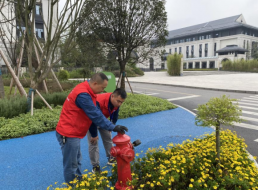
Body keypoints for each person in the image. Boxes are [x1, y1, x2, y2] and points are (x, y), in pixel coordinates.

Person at [55, 73, 128, 184]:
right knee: (71, 164)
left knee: (77, 160)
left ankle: (79, 182)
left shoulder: (88, 90)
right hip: (68, 133)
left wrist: (112, 125)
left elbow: (97, 114)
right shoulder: (83, 95)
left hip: (74, 132)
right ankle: (72, 185)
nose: (103, 90)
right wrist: (112, 127)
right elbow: (95, 115)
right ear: (95, 83)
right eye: (102, 88)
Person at [87, 88, 127, 173]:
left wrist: (111, 126)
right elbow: (92, 118)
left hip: (103, 120)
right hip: (91, 121)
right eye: (118, 101)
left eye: (121, 102)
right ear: (112, 96)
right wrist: (94, 135)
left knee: (108, 138)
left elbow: (115, 115)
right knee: (93, 143)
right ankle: (95, 165)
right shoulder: (98, 101)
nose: (119, 104)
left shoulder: (116, 103)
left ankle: (111, 157)